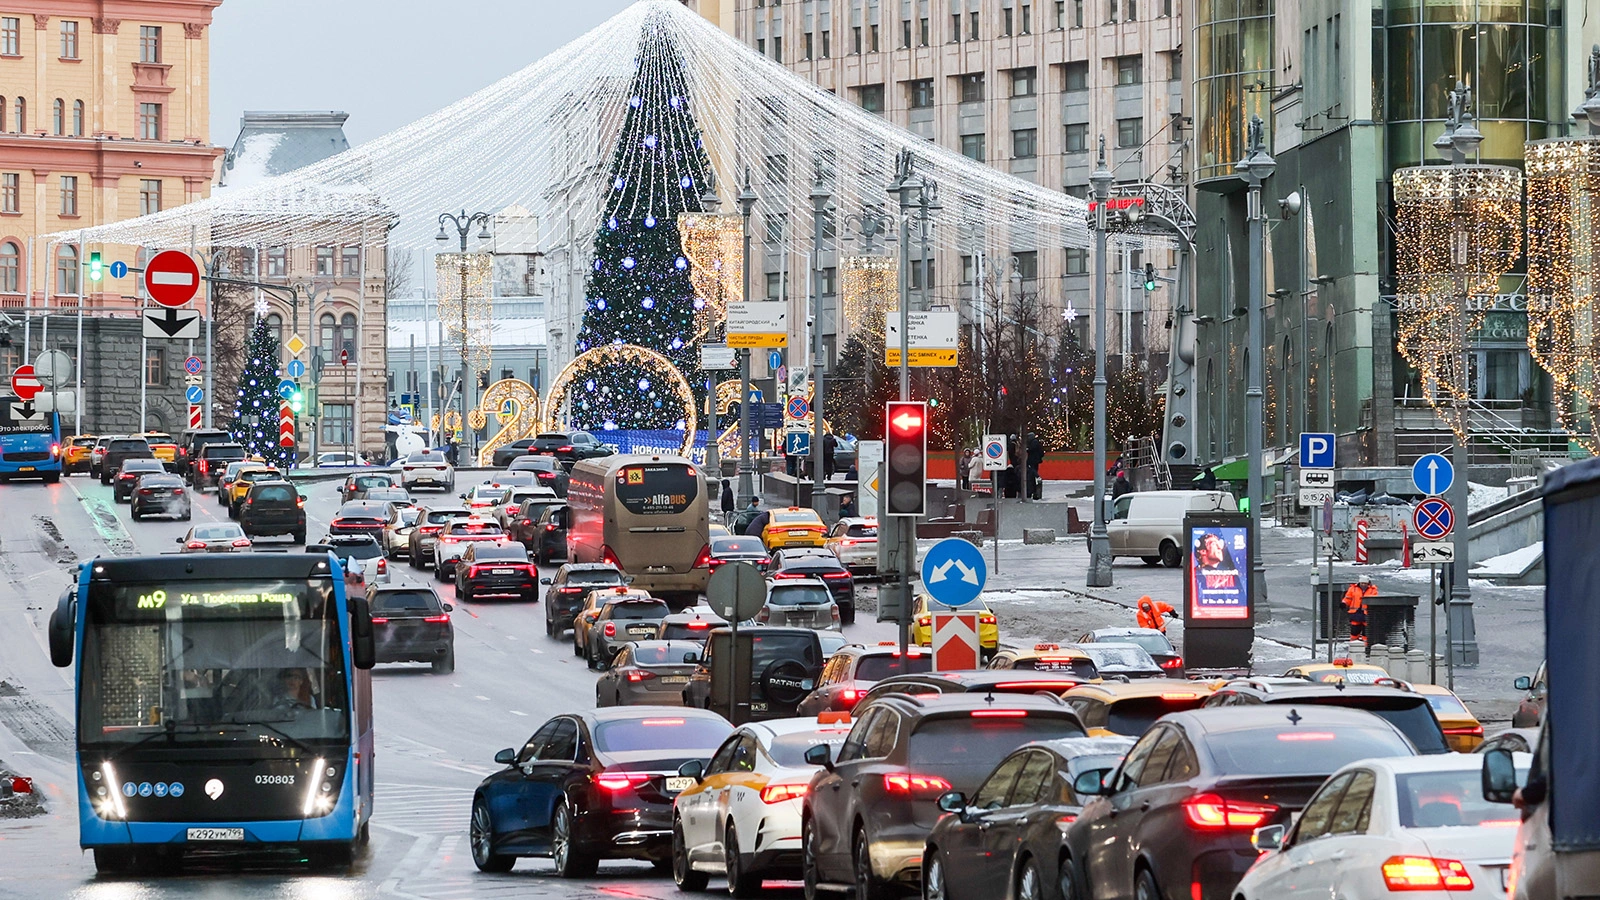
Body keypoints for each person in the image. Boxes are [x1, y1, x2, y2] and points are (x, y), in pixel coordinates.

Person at [1342, 575, 1378, 645]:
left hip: (1367, 613)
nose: (1363, 585)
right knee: (1355, 629)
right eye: (1362, 583)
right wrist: (1344, 603)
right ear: (1359, 583)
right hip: (1356, 612)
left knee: (1366, 630)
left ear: (1368, 583)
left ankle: (1366, 645)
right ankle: (1353, 644)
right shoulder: (1353, 589)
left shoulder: (1373, 590)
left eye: (1365, 583)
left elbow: (1374, 600)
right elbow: (1348, 598)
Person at [1027, 435, 1045, 500]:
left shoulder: (1033, 443)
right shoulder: (1036, 442)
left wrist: (1028, 449)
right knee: (1034, 472)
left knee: (1033, 473)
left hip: (1033, 460)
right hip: (1035, 460)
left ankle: (1034, 491)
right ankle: (1035, 491)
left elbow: (1031, 450)